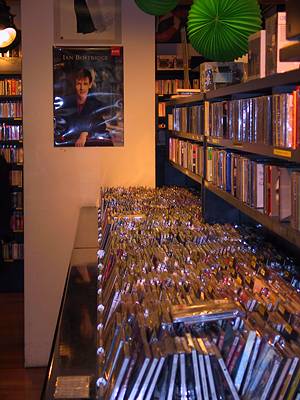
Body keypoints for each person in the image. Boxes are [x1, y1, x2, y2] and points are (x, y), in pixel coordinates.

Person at [55, 68, 112, 147]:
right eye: (79, 83)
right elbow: (62, 128)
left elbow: (101, 127)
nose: (82, 88)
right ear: (74, 84)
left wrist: (86, 133)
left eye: (85, 83)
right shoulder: (66, 104)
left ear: (90, 84)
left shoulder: (97, 105)